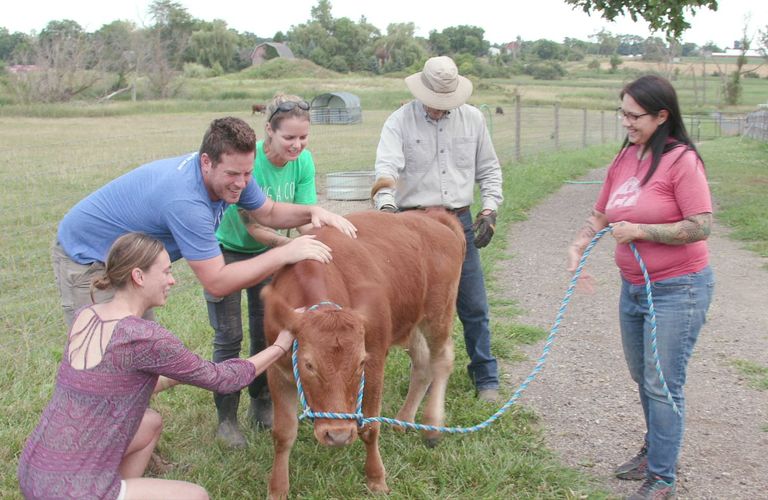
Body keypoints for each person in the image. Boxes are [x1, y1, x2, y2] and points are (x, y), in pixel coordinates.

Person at [18, 233, 296, 499]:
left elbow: (112, 384)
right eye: (165, 272)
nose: (172, 280)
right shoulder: (143, 336)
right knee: (197, 496)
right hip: (71, 491)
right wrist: (280, 346)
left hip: (35, 470)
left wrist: (183, 373)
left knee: (150, 423)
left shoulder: (85, 315)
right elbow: (225, 379)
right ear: (138, 276)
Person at [52, 116, 356, 327]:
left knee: (133, 345)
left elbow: (268, 212)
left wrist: (314, 212)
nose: (242, 183)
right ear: (206, 162)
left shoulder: (232, 172)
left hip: (132, 260)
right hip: (90, 258)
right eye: (234, 175)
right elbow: (217, 281)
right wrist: (286, 252)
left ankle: (135, 416)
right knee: (101, 352)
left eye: (248, 173)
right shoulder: (187, 202)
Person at [566, 75, 714, 500]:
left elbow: (701, 226)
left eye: (634, 115)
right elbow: (601, 214)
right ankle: (655, 453)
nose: (626, 122)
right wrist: (578, 245)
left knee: (662, 382)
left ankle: (662, 478)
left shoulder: (681, 160)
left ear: (662, 115)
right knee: (642, 375)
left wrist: (642, 230)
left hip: (678, 288)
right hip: (633, 288)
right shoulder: (626, 157)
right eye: (623, 113)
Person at [373, 55, 503, 403]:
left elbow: (489, 169)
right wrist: (386, 207)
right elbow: (386, 168)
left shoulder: (473, 120)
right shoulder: (398, 122)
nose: (438, 108)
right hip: (411, 224)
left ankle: (485, 376)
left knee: (472, 302)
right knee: (412, 305)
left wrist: (489, 209)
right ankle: (425, 372)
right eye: (433, 102)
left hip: (457, 221)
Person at [206, 94, 317, 447]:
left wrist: (319, 243)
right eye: (289, 138)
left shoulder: (304, 163)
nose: (297, 145)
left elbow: (305, 217)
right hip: (227, 253)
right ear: (268, 131)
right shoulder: (247, 160)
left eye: (303, 137)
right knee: (229, 337)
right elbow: (255, 227)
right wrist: (291, 249)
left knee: (265, 332)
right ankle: (226, 418)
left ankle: (261, 403)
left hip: (272, 257)